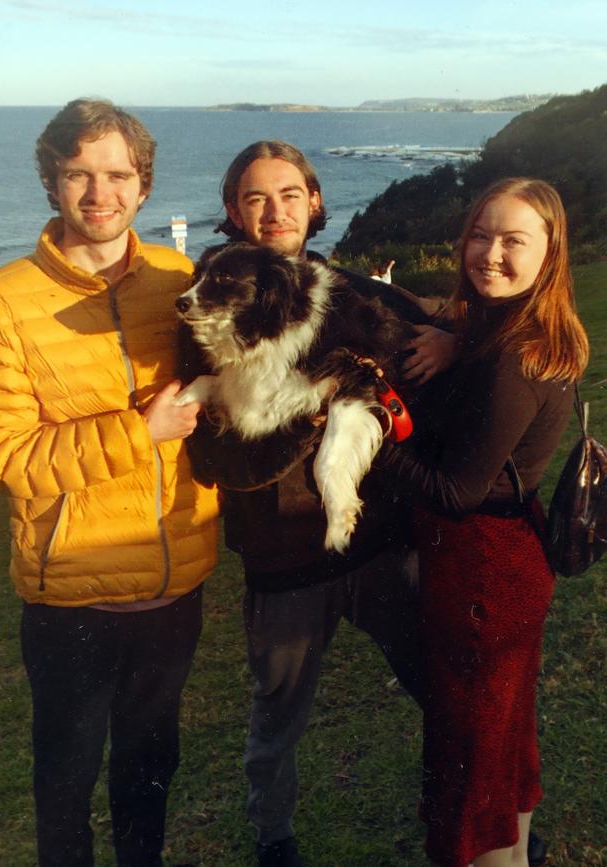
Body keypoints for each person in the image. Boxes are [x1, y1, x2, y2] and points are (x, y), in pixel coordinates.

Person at [0, 98, 219, 867]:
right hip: (72, 597)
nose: (99, 194)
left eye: (117, 175)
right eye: (79, 175)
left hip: (177, 584)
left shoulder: (181, 278)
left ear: (143, 187)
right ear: (52, 182)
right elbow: (2, 454)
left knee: (150, 772)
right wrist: (139, 433)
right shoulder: (1, 303)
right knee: (65, 789)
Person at [186, 140, 451, 867]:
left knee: (442, 684)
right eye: (255, 197)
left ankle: (479, 815)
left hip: (377, 540)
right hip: (283, 560)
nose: (274, 212)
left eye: (289, 195)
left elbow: (445, 319)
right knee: (277, 719)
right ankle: (275, 841)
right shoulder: (210, 305)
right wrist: (303, 418)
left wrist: (448, 344)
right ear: (234, 211)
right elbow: (211, 461)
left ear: (314, 202)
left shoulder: (346, 288)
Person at [381, 178, 589, 866]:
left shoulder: (514, 358)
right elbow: (469, 319)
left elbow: (454, 490)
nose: (489, 254)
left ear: (550, 251)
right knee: (499, 749)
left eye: (513, 241)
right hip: (508, 563)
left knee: (471, 767)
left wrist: (362, 437)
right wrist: (452, 331)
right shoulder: (520, 329)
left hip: (481, 575)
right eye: (479, 234)